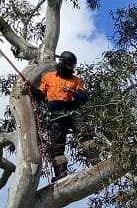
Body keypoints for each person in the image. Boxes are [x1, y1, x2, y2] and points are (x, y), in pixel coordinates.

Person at [29, 51, 97, 180]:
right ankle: (61, 175)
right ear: (63, 63)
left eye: (73, 66)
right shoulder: (49, 77)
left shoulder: (76, 80)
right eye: (70, 65)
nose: (72, 68)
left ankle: (96, 161)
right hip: (56, 115)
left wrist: (73, 92)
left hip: (72, 111)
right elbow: (41, 94)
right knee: (57, 147)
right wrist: (31, 88)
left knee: (85, 134)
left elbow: (83, 98)